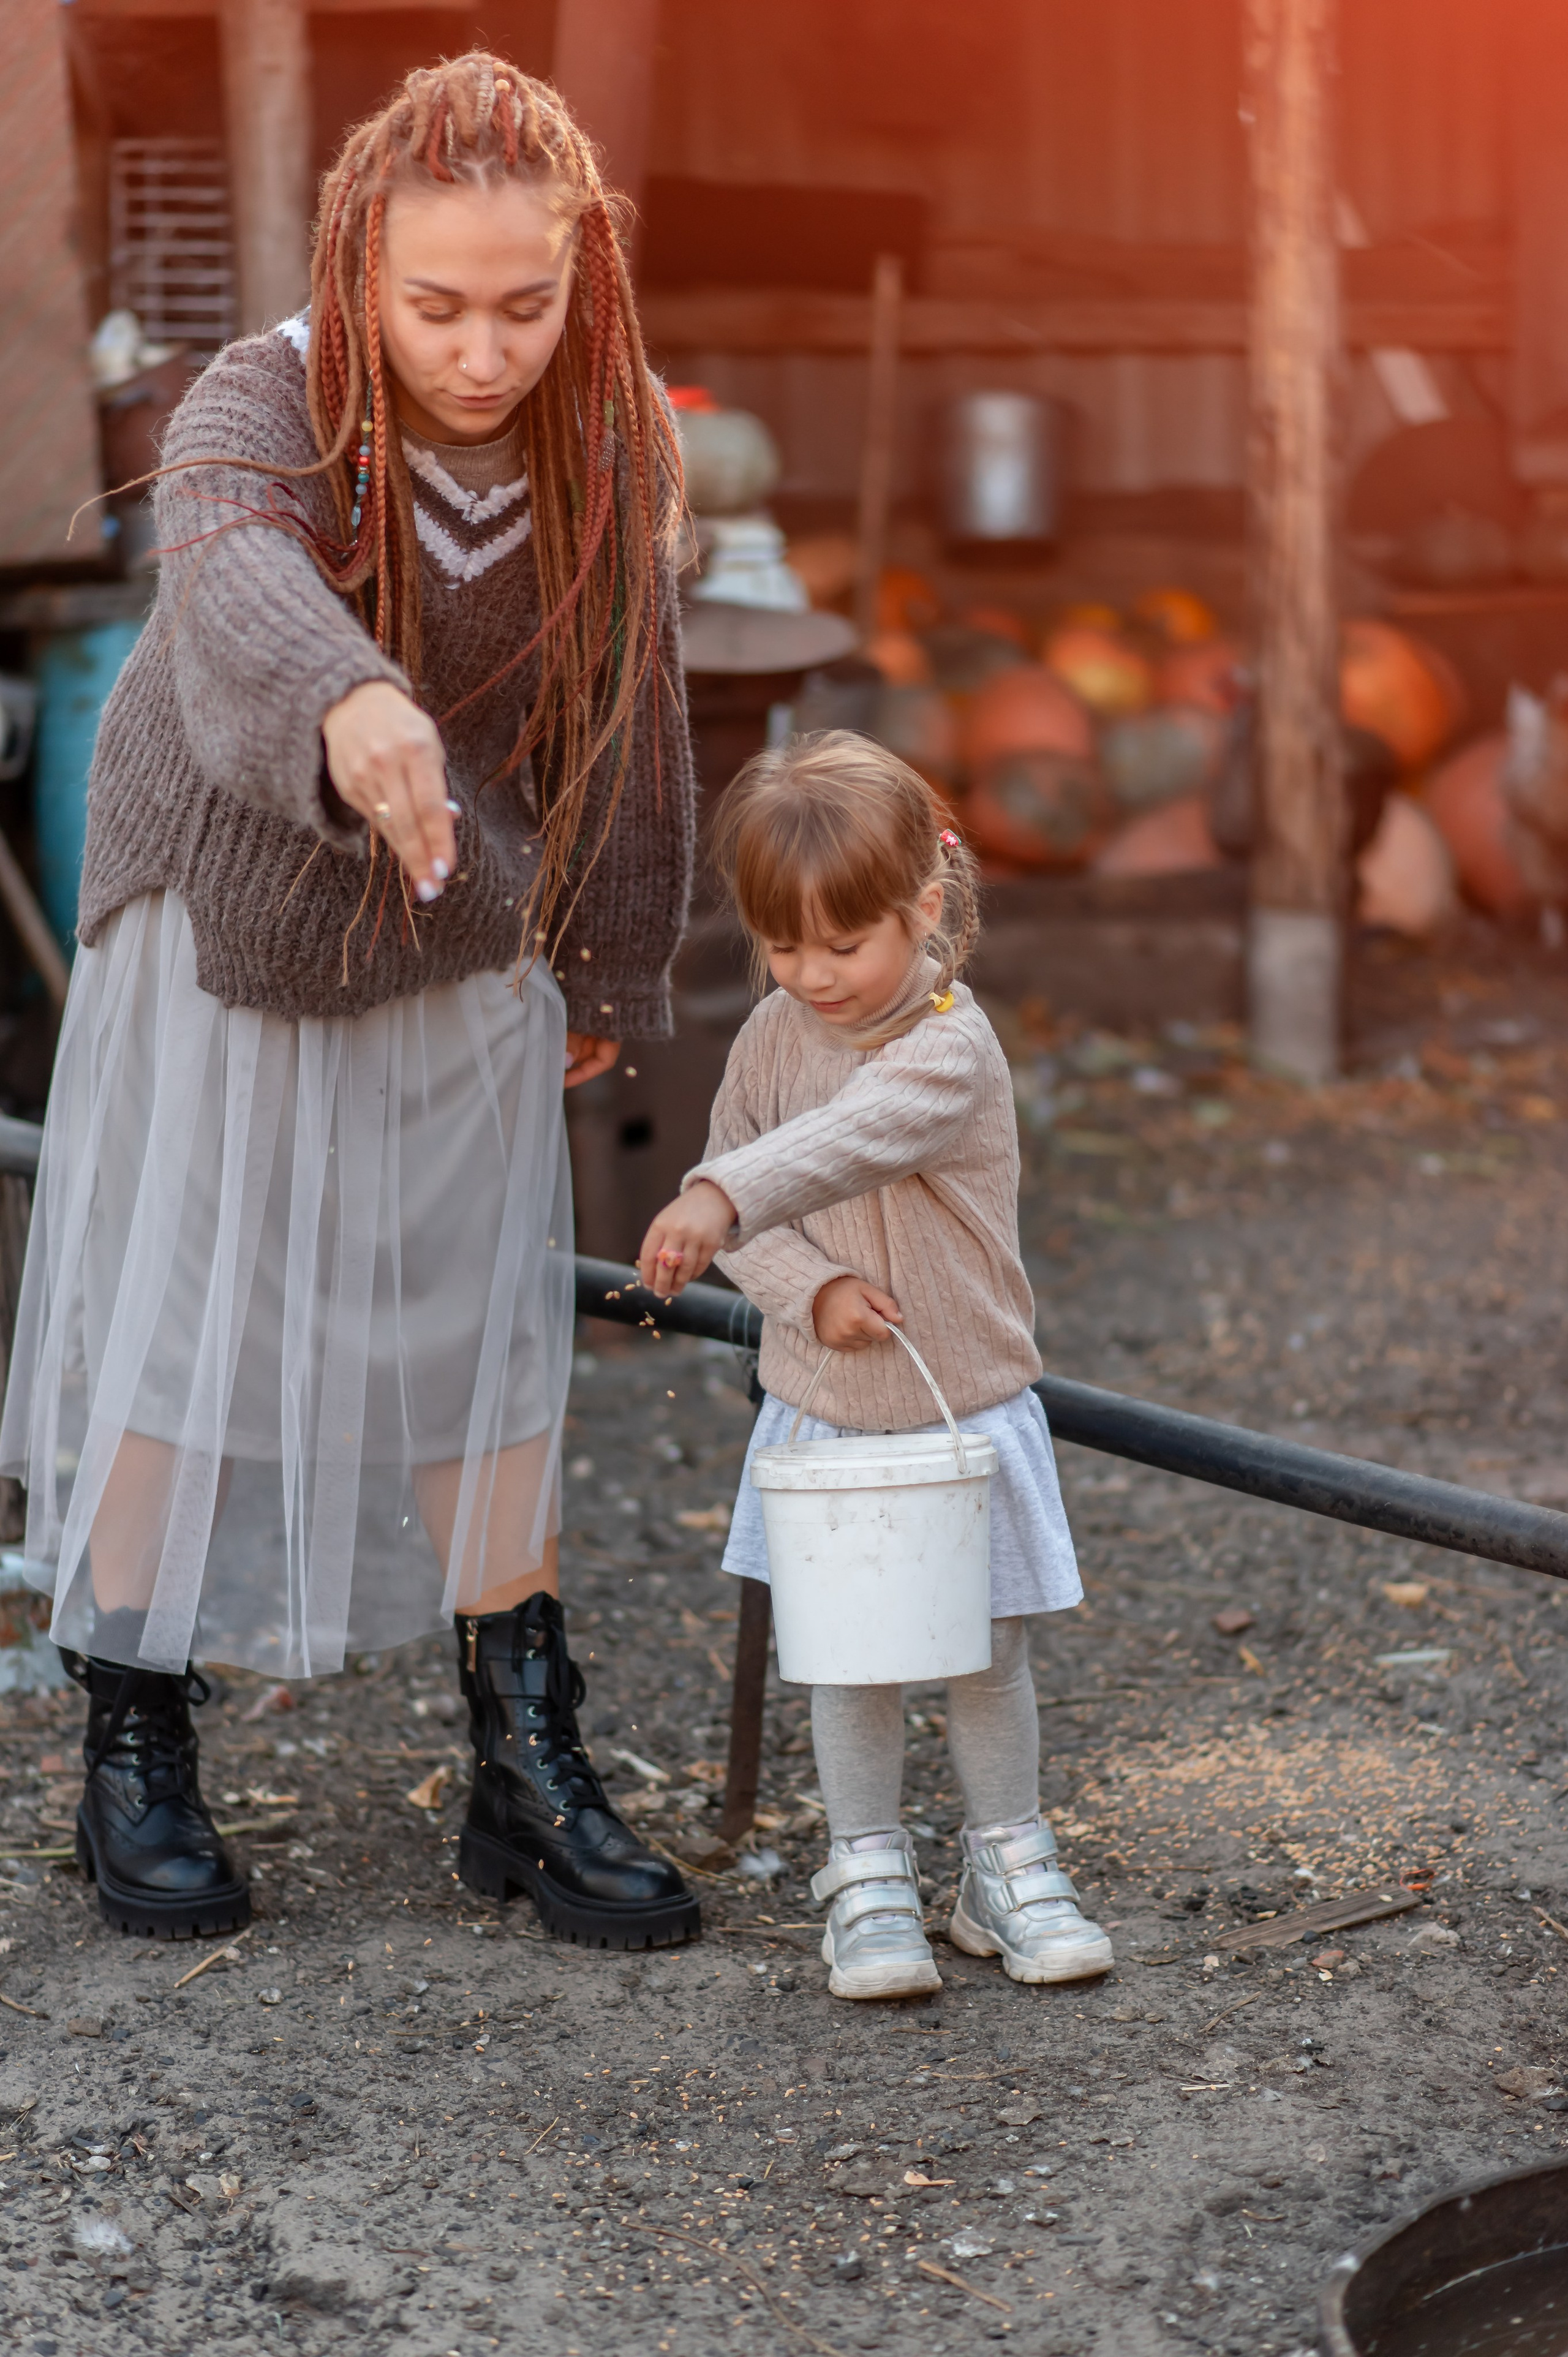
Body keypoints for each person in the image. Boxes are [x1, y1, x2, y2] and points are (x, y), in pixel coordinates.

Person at [0, 53, 700, 1953]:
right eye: (437, 306)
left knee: (471, 1316)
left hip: (452, 909)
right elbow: (225, 572)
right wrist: (352, 695)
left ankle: (524, 1758)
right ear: (358, 268)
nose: (484, 352)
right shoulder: (265, 398)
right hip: (227, 902)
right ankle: (134, 1740)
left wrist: (618, 957)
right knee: (189, 1315)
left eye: (528, 305)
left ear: (585, 279)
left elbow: (632, 714)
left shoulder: (610, 436)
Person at [638, 733, 1111, 2000]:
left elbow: (844, 1143)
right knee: (849, 1659)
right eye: (782, 946)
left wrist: (716, 1197)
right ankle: (868, 1873)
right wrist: (807, 1284)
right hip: (829, 1413)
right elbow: (764, 1182)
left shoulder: (950, 1048)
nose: (811, 975)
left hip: (962, 1411)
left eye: (843, 945)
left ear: (923, 908)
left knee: (979, 1652)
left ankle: (1002, 1863)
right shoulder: (771, 1034)